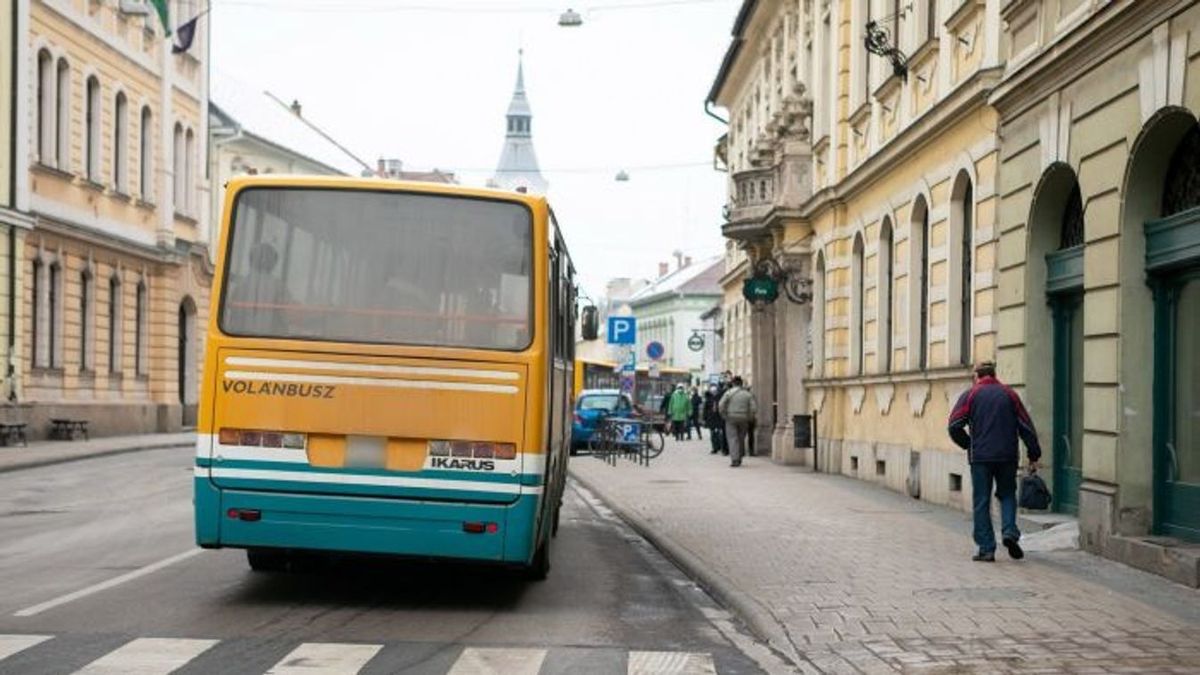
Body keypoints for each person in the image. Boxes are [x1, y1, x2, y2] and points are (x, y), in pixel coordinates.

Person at [947, 360, 1042, 562]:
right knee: (1007, 494)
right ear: (994, 374)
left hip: (980, 457)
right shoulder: (1009, 394)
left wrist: (968, 444)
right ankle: (1009, 532)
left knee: (982, 501)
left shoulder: (971, 395)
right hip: (1007, 456)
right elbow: (1026, 426)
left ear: (977, 376)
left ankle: (986, 549)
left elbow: (954, 425)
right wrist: (1034, 454)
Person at [718, 376, 756, 467]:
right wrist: (750, 417)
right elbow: (753, 408)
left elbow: (721, 405)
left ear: (733, 383)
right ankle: (740, 456)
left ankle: (735, 459)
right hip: (744, 418)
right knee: (741, 438)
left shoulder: (728, 393)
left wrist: (724, 415)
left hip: (731, 418)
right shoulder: (747, 394)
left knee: (732, 438)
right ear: (741, 384)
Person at [703, 387, 726, 455]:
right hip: (712, 419)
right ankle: (714, 448)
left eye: (715, 391)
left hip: (719, 419)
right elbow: (705, 410)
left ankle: (721, 448)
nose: (714, 393)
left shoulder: (720, 398)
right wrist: (705, 418)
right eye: (713, 391)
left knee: (720, 434)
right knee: (713, 434)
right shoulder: (708, 399)